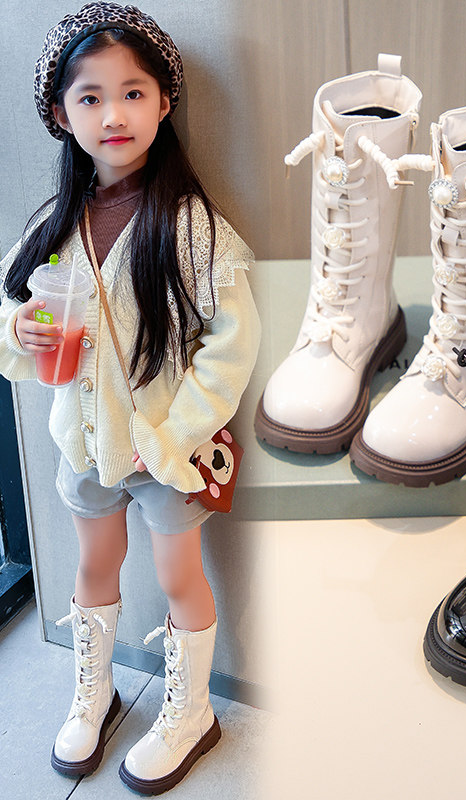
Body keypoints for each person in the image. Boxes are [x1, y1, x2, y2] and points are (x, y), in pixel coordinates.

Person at [0, 3, 260, 793]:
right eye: (90, 97)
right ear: (60, 114)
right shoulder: (53, 226)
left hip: (165, 452)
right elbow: (15, 313)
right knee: (93, 565)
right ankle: (95, 692)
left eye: (133, 93)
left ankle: (190, 712)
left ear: (164, 102)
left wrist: (175, 433)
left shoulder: (192, 228)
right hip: (82, 442)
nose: (113, 115)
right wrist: (23, 334)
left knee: (181, 576)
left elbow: (231, 346)